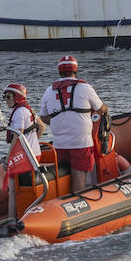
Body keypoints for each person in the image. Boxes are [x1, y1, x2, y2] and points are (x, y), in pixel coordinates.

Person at [39, 55, 106, 192]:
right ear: (75, 70)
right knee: (79, 176)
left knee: (64, 175)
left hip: (59, 144)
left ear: (59, 71)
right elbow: (100, 108)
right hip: (81, 143)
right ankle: (78, 205)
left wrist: (60, 122)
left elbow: (43, 117)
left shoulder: (49, 91)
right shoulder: (85, 87)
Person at [2, 82, 47, 217]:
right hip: (33, 154)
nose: (6, 100)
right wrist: (33, 143)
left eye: (8, 97)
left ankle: (11, 218)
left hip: (25, 157)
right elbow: (42, 127)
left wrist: (9, 158)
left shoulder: (19, 113)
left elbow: (17, 135)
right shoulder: (28, 109)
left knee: (12, 189)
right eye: (4, 97)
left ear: (17, 97)